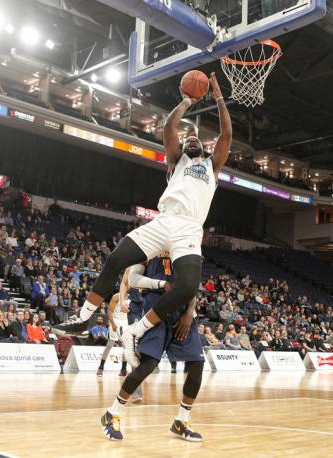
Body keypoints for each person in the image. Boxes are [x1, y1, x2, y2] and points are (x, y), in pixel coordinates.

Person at [54, 73, 232, 374]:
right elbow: (169, 128)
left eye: (195, 140)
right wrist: (187, 101)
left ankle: (137, 331)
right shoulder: (178, 162)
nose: (189, 140)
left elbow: (226, 135)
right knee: (114, 260)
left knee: (187, 286)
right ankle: (84, 317)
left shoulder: (212, 167)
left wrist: (218, 99)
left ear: (203, 148)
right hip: (164, 221)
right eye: (186, 140)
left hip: (189, 229)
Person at [101, 255, 205, 443]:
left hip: (183, 313)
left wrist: (189, 312)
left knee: (197, 363)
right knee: (147, 365)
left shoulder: (186, 248)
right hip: (156, 309)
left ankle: (181, 420)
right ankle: (112, 413)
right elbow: (132, 279)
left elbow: (191, 286)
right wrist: (161, 284)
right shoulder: (150, 247)